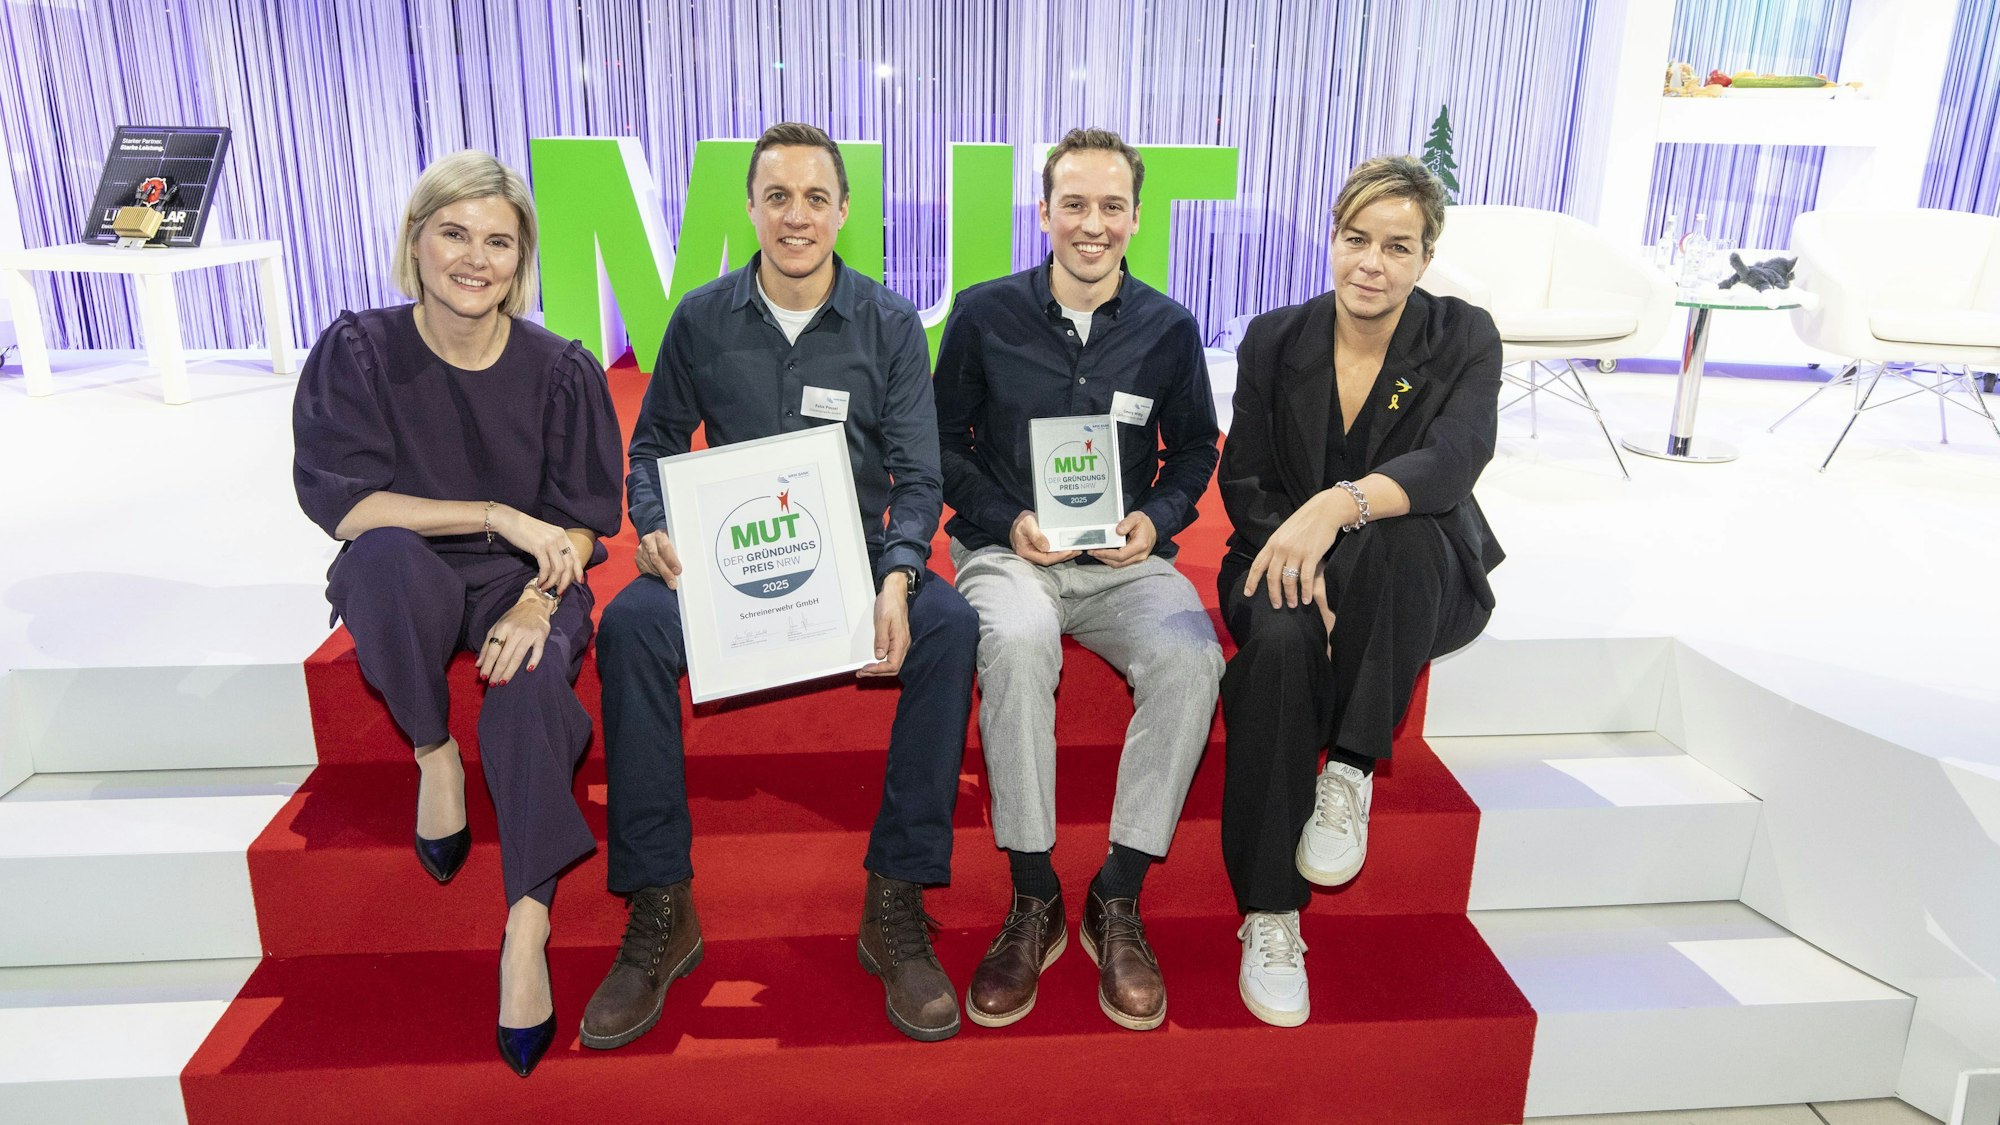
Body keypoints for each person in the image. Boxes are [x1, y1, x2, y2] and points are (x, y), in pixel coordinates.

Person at [583, 122, 979, 1047]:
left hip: (852, 569)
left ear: (843, 211)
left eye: (814, 198)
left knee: (952, 628)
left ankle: (896, 901)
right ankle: (660, 906)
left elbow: (920, 476)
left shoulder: (888, 323)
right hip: (727, 571)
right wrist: (655, 524)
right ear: (752, 208)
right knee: (631, 627)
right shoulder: (700, 317)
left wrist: (900, 570)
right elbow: (651, 444)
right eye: (777, 197)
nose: (795, 217)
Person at [291, 150, 623, 1076]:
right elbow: (345, 504)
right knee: (384, 564)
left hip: (525, 576)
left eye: (499, 243)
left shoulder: (561, 369)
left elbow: (588, 525)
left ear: (521, 262)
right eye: (455, 234)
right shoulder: (358, 349)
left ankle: (527, 921)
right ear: (416, 240)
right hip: (412, 565)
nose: (476, 259)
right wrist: (490, 513)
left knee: (525, 685)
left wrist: (532, 593)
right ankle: (435, 749)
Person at [933, 127, 1223, 1032]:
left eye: (1110, 206)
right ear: (1046, 210)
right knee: (1014, 640)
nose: (1091, 224)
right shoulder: (982, 315)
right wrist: (1008, 520)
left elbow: (1195, 450)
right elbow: (942, 445)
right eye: (1073, 204)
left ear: (1135, 217)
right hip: (1009, 550)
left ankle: (1117, 895)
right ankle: (1033, 897)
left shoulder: (1170, 327)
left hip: (1124, 564)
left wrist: (1160, 519)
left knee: (1191, 659)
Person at [1215, 154, 1504, 1028]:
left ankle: (1347, 768)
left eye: (1396, 245)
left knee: (1401, 538)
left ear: (1425, 255)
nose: (1371, 263)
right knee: (1280, 643)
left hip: (1414, 572)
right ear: (1332, 237)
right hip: (1279, 554)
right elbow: (1248, 480)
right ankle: (1269, 912)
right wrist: (1300, 550)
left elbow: (1453, 462)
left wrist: (1337, 510)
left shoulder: (1464, 335)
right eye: (1355, 239)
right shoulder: (1274, 337)